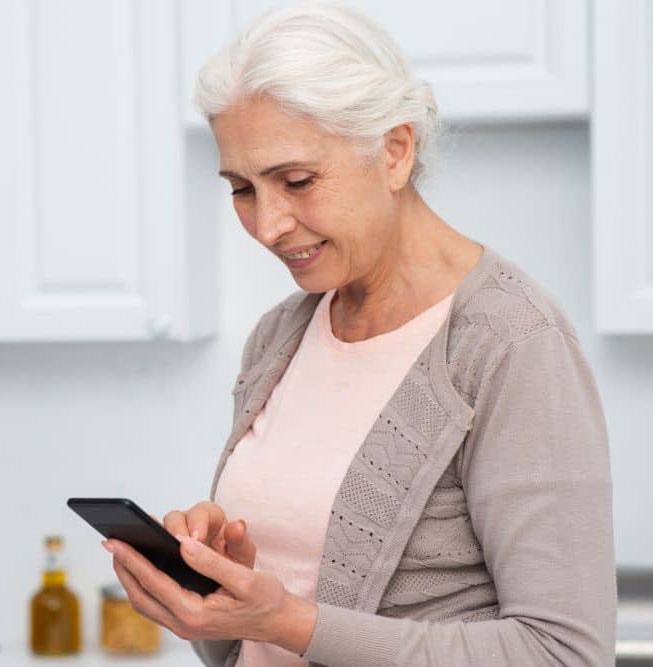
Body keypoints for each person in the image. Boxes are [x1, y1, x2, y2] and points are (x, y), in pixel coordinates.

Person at [100, 2, 616, 665]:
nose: (268, 225)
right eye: (242, 189)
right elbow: (252, 644)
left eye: (296, 180)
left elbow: (564, 652)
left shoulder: (512, 344)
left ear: (395, 152)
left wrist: (292, 622)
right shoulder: (280, 338)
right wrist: (217, 599)